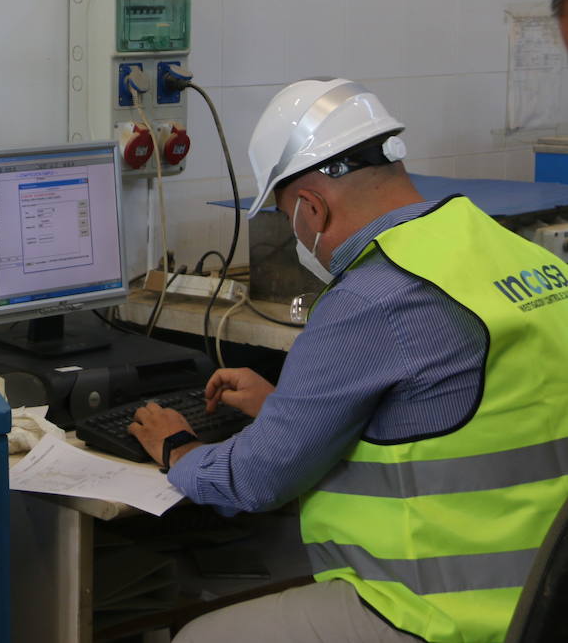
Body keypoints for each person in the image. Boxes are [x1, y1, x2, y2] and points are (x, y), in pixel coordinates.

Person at [128, 77, 568, 643]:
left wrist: (179, 448)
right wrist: (286, 409)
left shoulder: (373, 297)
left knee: (198, 637)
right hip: (541, 596)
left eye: (290, 220)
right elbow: (465, 412)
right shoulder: (511, 251)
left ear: (311, 207)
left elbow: (257, 481)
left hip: (441, 611)